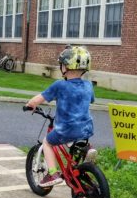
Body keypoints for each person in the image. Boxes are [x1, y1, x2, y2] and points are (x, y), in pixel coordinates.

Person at [25, 46, 95, 187]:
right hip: (86, 129)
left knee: (48, 142)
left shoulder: (60, 85)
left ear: (66, 67)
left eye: (62, 64)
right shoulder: (88, 85)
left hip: (66, 129)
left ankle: (52, 174)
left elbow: (38, 99)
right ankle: (87, 150)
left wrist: (30, 104)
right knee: (74, 139)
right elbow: (91, 100)